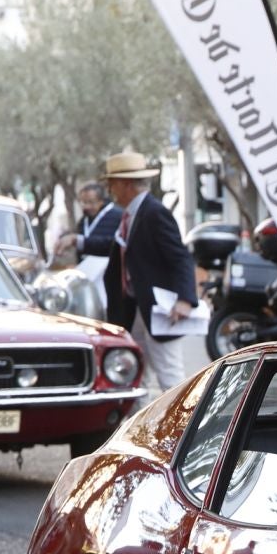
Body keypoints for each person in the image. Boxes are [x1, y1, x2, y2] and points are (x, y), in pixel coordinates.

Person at [74, 151, 196, 393]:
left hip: (159, 309)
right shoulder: (132, 214)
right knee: (136, 373)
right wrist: (77, 241)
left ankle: (184, 417)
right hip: (138, 308)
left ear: (125, 184)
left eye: (112, 183)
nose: (109, 190)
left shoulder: (153, 213)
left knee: (170, 375)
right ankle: (140, 416)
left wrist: (184, 299)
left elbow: (180, 257)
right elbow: (115, 247)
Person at [71, 182, 123, 316]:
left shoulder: (117, 216)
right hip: (88, 277)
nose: (86, 206)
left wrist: (81, 241)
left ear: (101, 201)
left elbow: (112, 244)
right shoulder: (84, 220)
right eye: (83, 202)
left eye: (90, 202)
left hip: (109, 278)